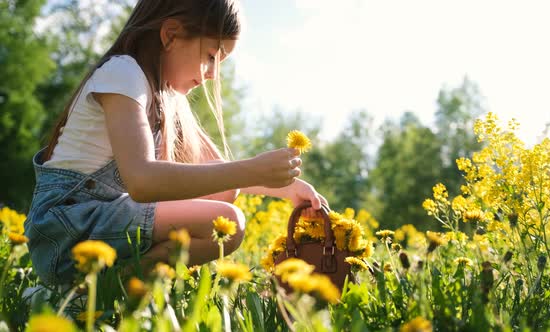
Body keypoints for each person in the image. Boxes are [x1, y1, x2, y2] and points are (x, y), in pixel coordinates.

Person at [24, 0, 327, 285]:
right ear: (170, 35)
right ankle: (94, 296)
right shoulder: (123, 73)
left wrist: (287, 188)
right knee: (227, 222)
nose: (212, 75)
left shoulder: (167, 98)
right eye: (211, 57)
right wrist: (253, 170)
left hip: (97, 221)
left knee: (224, 192)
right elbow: (142, 180)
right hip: (64, 228)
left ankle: (112, 287)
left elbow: (221, 173)